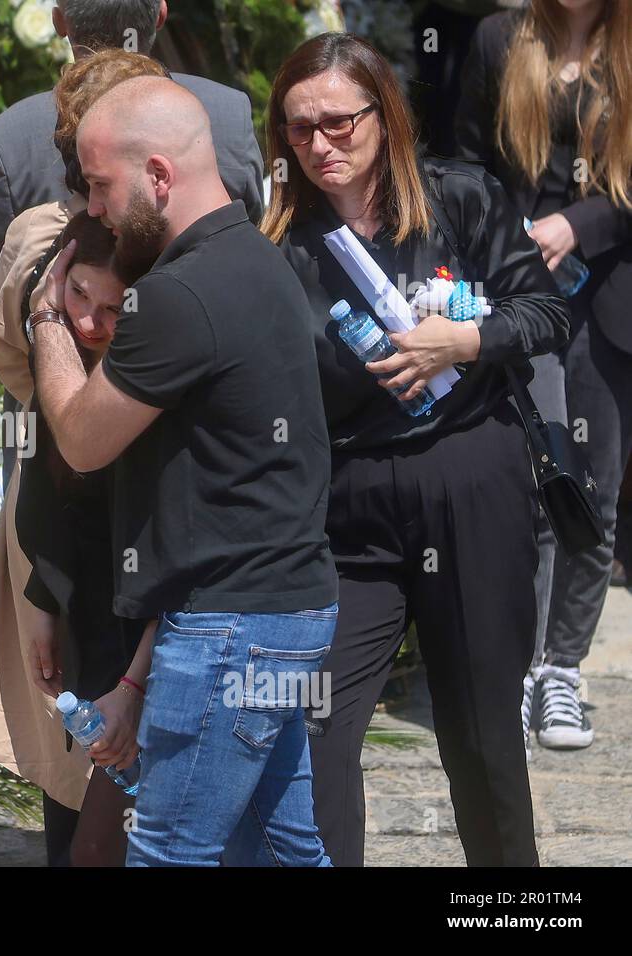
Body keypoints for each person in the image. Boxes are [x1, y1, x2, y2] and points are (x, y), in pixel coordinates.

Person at [265, 32, 570, 866]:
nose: (320, 145)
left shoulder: (460, 199)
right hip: (347, 498)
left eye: (339, 123)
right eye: (299, 130)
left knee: (479, 734)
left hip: (469, 475)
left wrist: (462, 341)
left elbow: (547, 315)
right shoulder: (282, 244)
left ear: (385, 116)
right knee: (315, 724)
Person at [30, 75, 340, 866]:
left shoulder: (174, 296)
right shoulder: (256, 260)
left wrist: (47, 329)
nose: (93, 208)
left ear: (159, 176)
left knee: (169, 851)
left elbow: (81, 439)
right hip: (286, 613)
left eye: (101, 185)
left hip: (230, 626)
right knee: (281, 851)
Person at [0, 50, 170, 868]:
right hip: (60, 505)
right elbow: (13, 365)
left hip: (148, 522)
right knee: (71, 723)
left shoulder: (173, 248)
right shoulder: (46, 237)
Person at [0, 0, 264, 486]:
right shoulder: (226, 111)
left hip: (55, 435)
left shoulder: (10, 136)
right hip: (197, 433)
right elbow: (242, 236)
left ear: (59, 18)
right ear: (162, 13)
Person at [455, 0, 632, 754]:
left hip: (611, 301)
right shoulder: (501, 37)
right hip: (520, 295)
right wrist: (500, 239)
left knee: (593, 491)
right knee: (535, 484)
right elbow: (462, 163)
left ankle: (564, 668)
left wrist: (579, 224)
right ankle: (519, 666)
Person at [16, 211, 150, 866]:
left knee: (115, 825)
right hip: (83, 608)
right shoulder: (59, 359)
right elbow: (44, 499)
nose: (91, 323)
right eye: (78, 297)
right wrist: (43, 603)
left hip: (145, 626)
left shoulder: (150, 379)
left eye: (113, 308)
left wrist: (134, 682)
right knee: (74, 802)